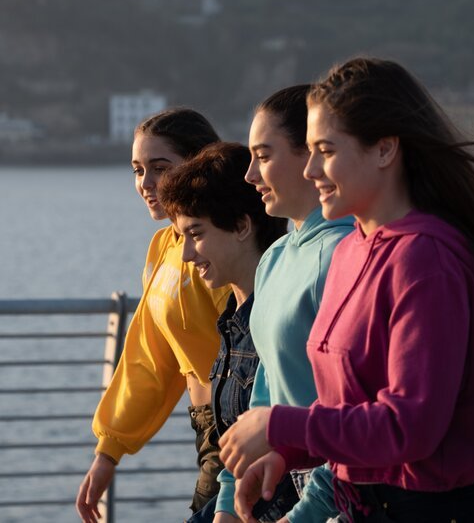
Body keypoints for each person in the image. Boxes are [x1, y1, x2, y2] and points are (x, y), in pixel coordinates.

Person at [220, 57, 474, 523]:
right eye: (309, 150)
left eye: (325, 150)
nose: (310, 170)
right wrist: (287, 453)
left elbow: (410, 426)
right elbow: (350, 408)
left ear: (384, 149)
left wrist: (284, 424)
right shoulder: (352, 251)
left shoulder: (426, 260)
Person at [76, 108, 230, 523]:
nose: (146, 183)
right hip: (208, 433)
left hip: (240, 431)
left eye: (160, 168)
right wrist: (109, 449)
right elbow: (150, 356)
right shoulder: (165, 246)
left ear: (201, 164)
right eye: (137, 170)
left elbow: (257, 343)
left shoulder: (225, 244)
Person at [212, 85, 354, 523]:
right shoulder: (274, 257)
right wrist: (228, 499)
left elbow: (356, 404)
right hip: (282, 483)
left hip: (340, 494)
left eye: (264, 156)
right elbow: (265, 393)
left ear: (309, 156)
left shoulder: (344, 254)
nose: (250, 175)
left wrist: (310, 512)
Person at [156, 141, 288, 522]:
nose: (186, 255)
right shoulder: (232, 321)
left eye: (195, 234)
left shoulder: (277, 318)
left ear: (242, 226)